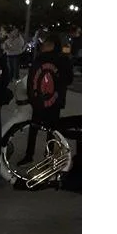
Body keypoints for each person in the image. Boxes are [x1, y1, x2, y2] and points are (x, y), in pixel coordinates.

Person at [19, 34, 75, 166]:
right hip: (41, 100)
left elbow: (68, 79)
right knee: (35, 129)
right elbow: (32, 77)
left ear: (52, 45)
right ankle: (30, 156)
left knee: (50, 130)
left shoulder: (61, 60)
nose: (43, 46)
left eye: (46, 43)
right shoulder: (40, 58)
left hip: (52, 101)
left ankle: (47, 157)